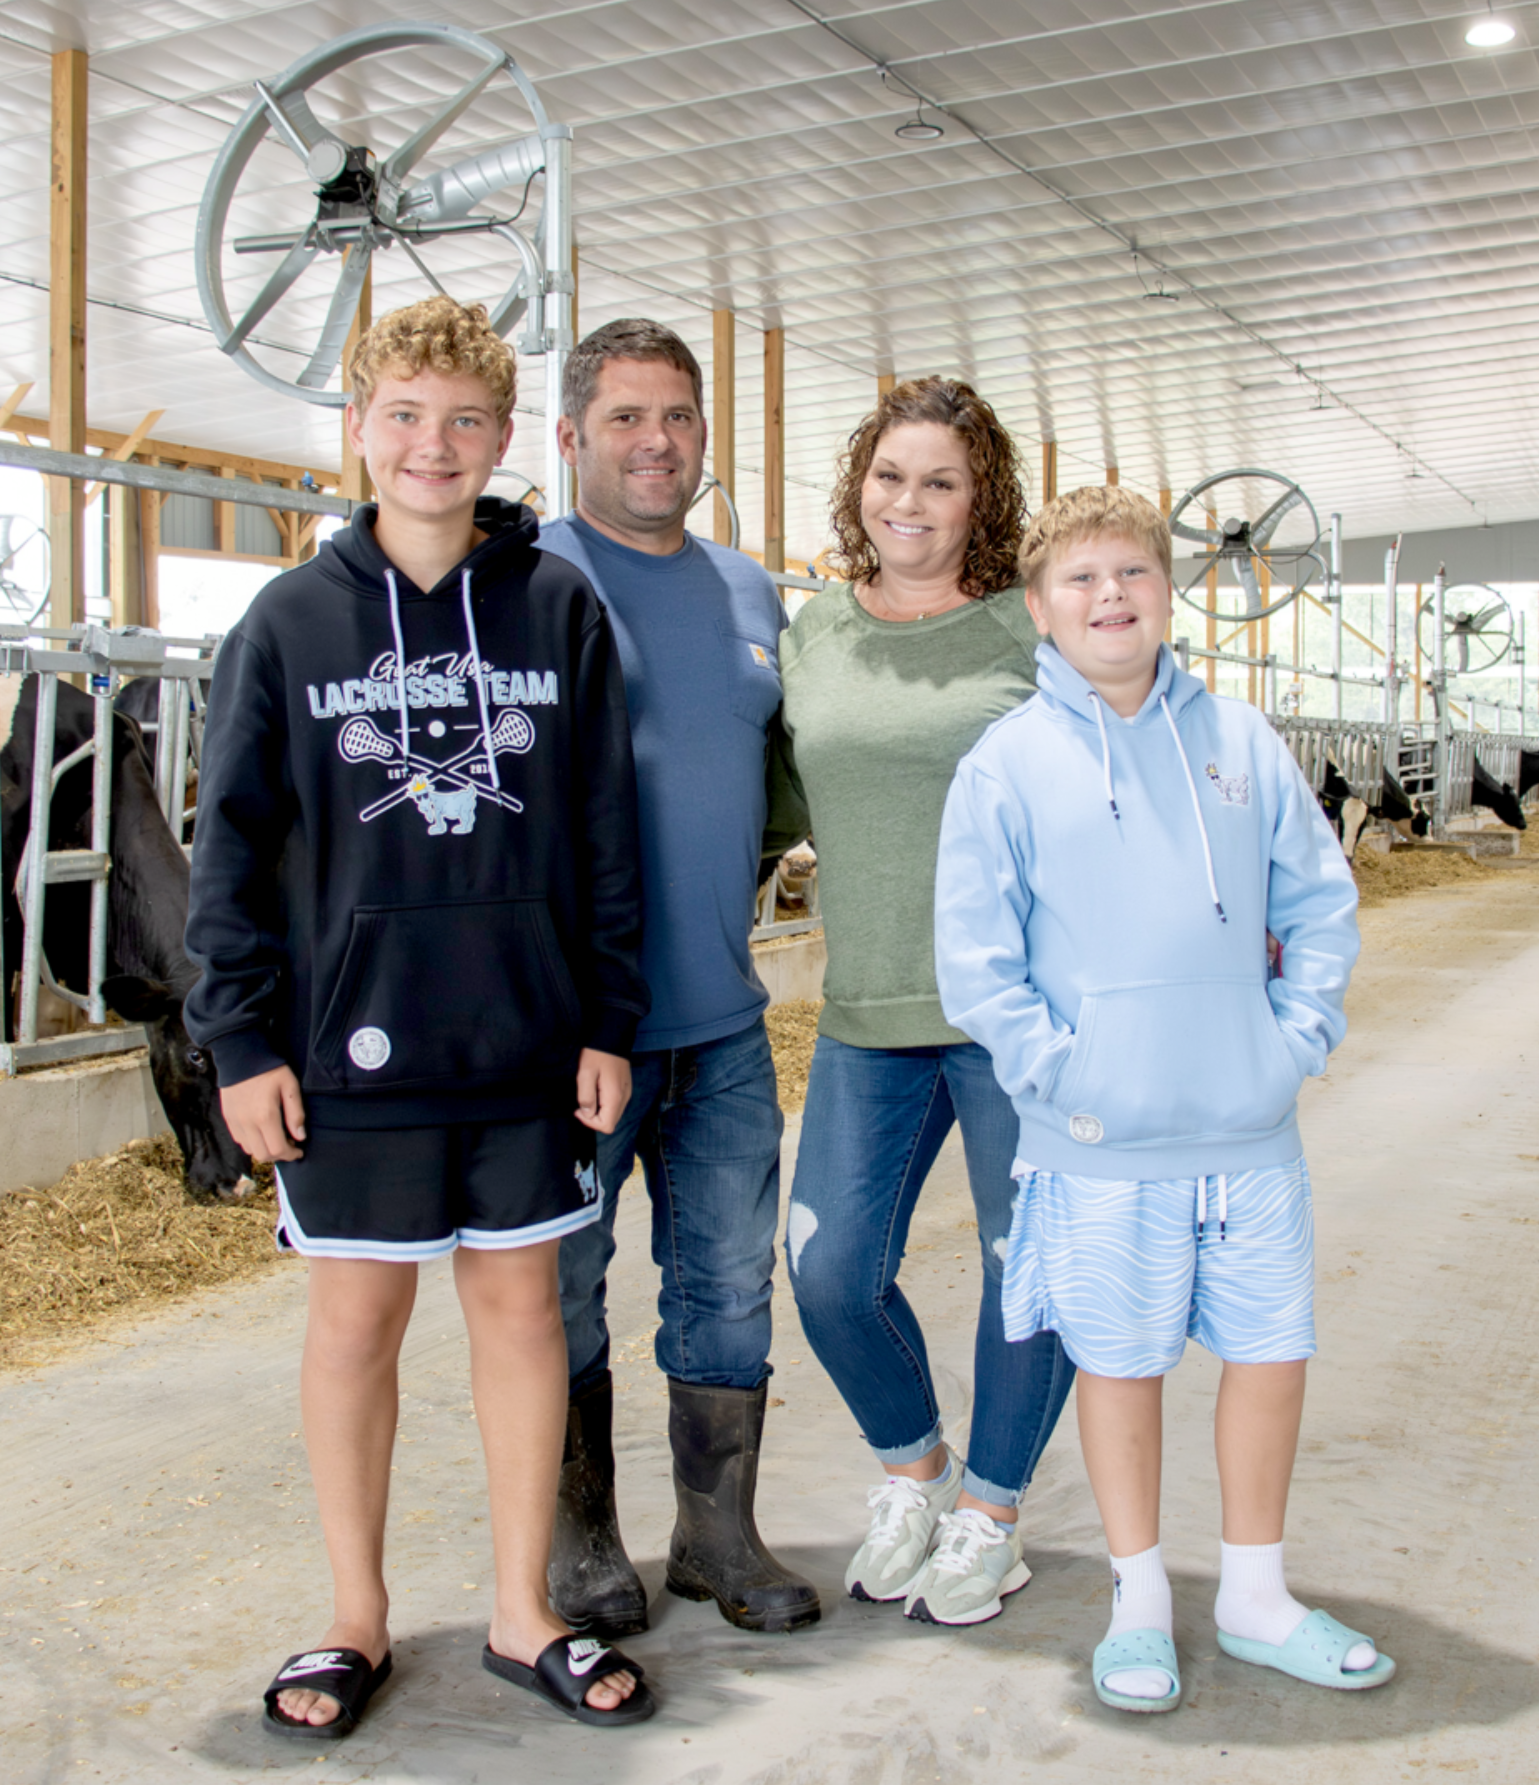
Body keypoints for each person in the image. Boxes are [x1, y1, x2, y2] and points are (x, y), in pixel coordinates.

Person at [184, 296, 655, 1740]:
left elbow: (599, 833)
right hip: (348, 1047)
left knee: (520, 1309)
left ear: (503, 436)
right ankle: (354, 1616)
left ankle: (524, 1612)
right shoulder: (287, 622)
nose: (431, 445)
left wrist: (608, 1018)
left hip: (521, 1033)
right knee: (355, 1318)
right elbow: (230, 846)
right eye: (401, 414)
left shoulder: (557, 606)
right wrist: (241, 1040)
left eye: (461, 419)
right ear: (354, 431)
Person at [931, 486, 1381, 1714]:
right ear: (1036, 609)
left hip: (1247, 1128)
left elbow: (1318, 904)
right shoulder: (1005, 765)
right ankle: (1138, 1600)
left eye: (1130, 571)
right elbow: (977, 966)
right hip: (1097, 1139)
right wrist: (1069, 1075)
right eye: (1078, 580)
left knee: (1269, 1353)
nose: (1108, 596)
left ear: (1165, 591)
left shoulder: (1240, 743)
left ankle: (1253, 1592)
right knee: (1119, 1364)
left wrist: (1291, 1042)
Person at [777, 377, 1076, 1628]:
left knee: (1028, 1270)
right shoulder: (811, 634)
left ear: (979, 501)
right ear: (860, 485)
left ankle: (992, 1514)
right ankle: (916, 1472)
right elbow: (779, 797)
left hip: (1017, 1016)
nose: (910, 502)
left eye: (940, 482)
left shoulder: (1029, 630)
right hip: (866, 1009)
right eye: (890, 475)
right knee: (829, 1272)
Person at [536, 318, 819, 1637]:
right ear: (571, 436)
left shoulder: (747, 588)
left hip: (718, 1018)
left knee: (723, 1280)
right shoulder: (520, 575)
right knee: (561, 1281)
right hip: (568, 1033)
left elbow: (771, 789)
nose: (657, 443)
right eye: (626, 418)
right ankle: (577, 1538)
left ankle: (715, 1533)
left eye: (678, 418)